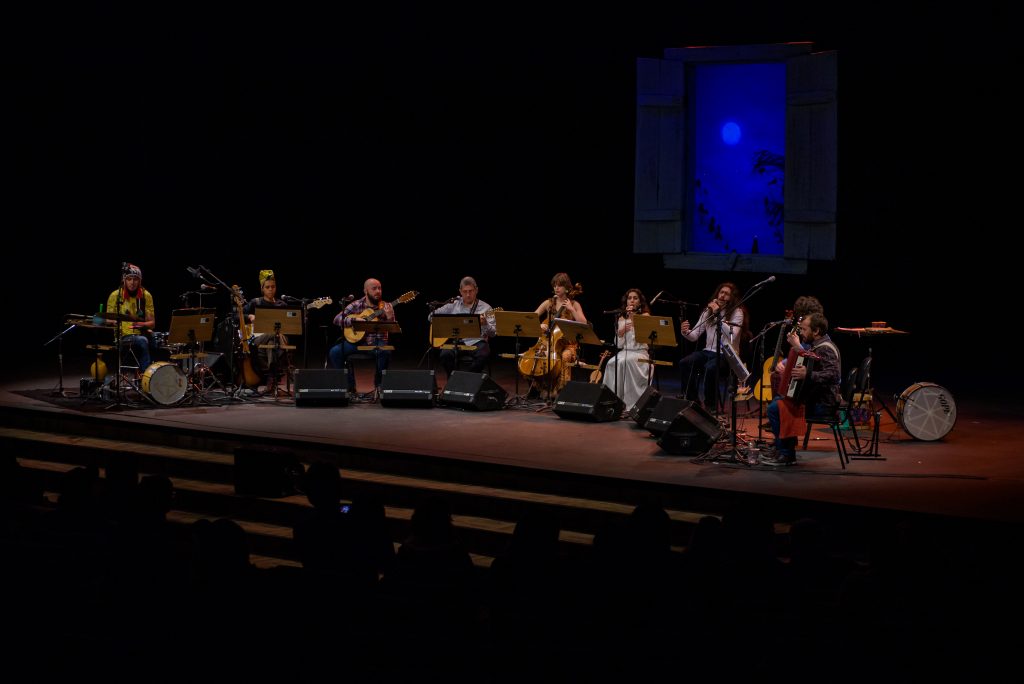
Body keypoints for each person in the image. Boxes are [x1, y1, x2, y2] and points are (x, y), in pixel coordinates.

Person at [760, 312, 841, 466]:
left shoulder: (825, 348)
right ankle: (781, 449)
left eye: (804, 330)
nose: (801, 333)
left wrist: (808, 374)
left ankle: (786, 455)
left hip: (823, 404)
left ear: (816, 331)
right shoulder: (815, 346)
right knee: (779, 400)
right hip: (814, 398)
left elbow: (834, 375)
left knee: (774, 409)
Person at [678, 281, 747, 412]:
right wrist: (685, 332)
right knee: (685, 363)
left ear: (732, 297)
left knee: (710, 368)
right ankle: (693, 401)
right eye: (721, 292)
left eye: (727, 294)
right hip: (708, 352)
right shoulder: (707, 311)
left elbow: (732, 334)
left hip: (727, 355)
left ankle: (711, 406)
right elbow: (694, 336)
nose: (722, 296)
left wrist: (717, 315)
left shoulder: (737, 312)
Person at [328, 278, 394, 395]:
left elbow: (392, 329)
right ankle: (348, 386)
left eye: (379, 288)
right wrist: (355, 320)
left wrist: (390, 317)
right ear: (366, 291)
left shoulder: (386, 307)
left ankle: (379, 386)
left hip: (376, 342)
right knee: (335, 352)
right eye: (374, 288)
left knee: (385, 351)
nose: (378, 291)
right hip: (355, 343)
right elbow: (336, 319)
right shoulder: (356, 304)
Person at [525, 272, 586, 394]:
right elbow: (530, 318)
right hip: (550, 344)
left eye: (560, 285)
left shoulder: (574, 304)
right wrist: (539, 325)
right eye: (554, 285)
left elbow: (583, 323)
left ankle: (561, 392)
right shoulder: (549, 302)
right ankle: (539, 390)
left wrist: (571, 310)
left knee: (565, 356)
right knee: (533, 357)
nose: (556, 288)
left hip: (569, 345)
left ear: (567, 288)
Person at [428, 276, 496, 378]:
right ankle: (452, 380)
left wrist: (485, 323)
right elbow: (431, 317)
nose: (468, 295)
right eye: (465, 291)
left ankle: (465, 379)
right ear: (460, 291)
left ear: (476, 290)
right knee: (445, 354)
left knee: (483, 354)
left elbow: (493, 333)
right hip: (457, 341)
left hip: (476, 341)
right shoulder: (453, 305)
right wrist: (448, 323)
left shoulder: (486, 308)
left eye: (471, 291)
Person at [601, 288, 651, 411]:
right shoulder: (622, 318)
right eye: (630, 298)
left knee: (624, 362)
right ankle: (612, 401)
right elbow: (619, 344)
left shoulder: (645, 316)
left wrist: (633, 316)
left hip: (640, 353)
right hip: (625, 352)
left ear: (640, 302)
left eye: (635, 298)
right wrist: (620, 333)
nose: (632, 301)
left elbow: (643, 338)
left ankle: (629, 405)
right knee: (611, 363)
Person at [243, 269, 292, 390]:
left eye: (273, 287)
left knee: (273, 341)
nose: (271, 289)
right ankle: (286, 367)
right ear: (262, 288)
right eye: (267, 287)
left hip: (276, 339)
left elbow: (290, 325)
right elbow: (235, 316)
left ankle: (272, 376)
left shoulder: (282, 305)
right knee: (273, 334)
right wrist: (249, 316)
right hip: (258, 339)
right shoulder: (255, 302)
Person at [105, 263, 156, 372]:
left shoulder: (146, 296)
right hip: (123, 335)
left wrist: (140, 324)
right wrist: (115, 321)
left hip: (142, 333)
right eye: (129, 279)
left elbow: (152, 323)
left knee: (156, 340)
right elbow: (107, 319)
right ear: (124, 280)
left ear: (140, 281)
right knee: (143, 341)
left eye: (135, 279)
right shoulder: (115, 295)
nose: (132, 282)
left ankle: (153, 375)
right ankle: (144, 376)